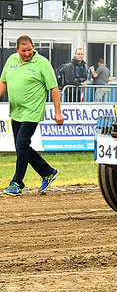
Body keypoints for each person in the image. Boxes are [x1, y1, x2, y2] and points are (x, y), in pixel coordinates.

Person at [0, 35, 64, 195]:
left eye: (30, 49)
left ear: (33, 47)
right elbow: (3, 82)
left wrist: (58, 112)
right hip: (16, 111)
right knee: (22, 147)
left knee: (21, 144)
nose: (27, 53)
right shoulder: (11, 60)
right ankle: (48, 172)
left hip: (32, 111)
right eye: (24, 51)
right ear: (17, 50)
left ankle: (17, 183)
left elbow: (54, 88)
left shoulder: (42, 63)